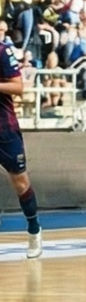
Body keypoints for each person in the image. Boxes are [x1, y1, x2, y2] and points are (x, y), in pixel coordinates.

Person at [0, 37, 41, 258]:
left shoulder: (2, 51)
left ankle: (34, 230)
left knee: (20, 182)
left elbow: (18, 87)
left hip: (4, 128)